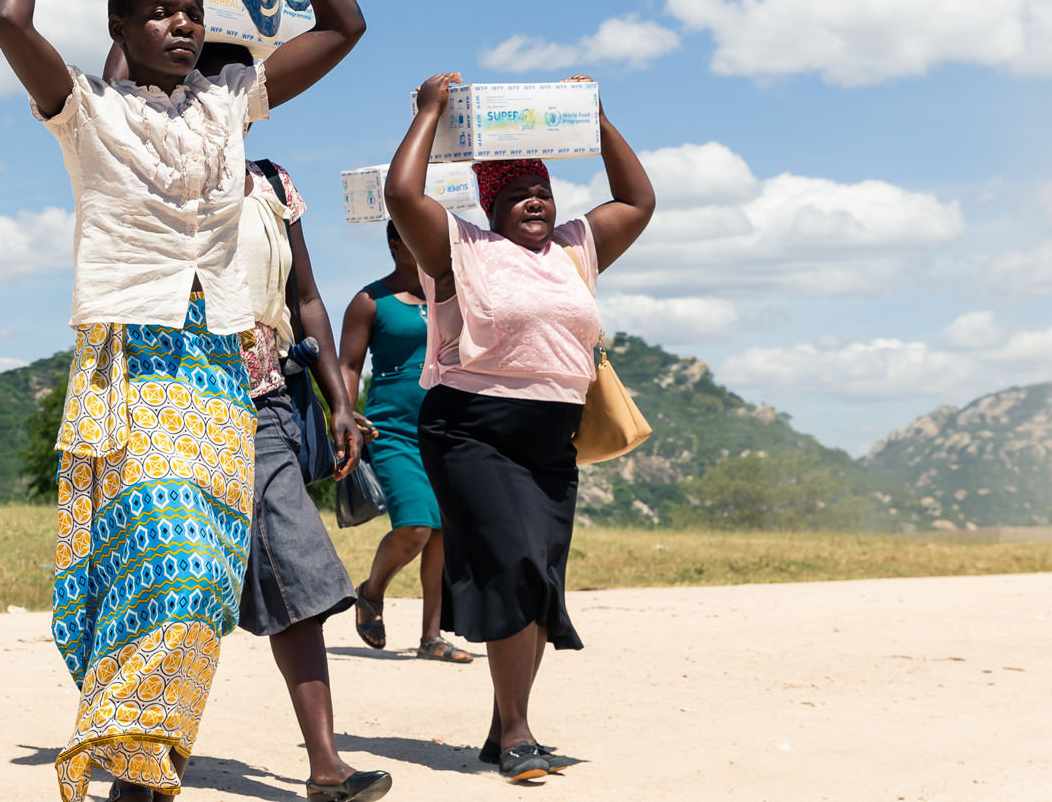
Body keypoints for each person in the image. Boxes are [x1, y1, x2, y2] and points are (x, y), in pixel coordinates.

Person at [0, 0, 366, 802]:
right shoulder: (85, 111)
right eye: (160, 10)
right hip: (132, 360)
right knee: (163, 562)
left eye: (193, 10)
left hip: (215, 367)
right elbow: (7, 21)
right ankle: (126, 754)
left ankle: (141, 767)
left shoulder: (230, 106)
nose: (183, 22)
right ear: (117, 29)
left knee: (199, 583)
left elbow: (343, 25)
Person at [120, 40, 388, 801]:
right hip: (169, 400)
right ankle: (142, 760)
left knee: (294, 569)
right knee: (170, 582)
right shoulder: (145, 164)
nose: (215, 93)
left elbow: (307, 298)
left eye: (232, 81)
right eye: (201, 79)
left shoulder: (272, 182)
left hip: (263, 401)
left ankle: (326, 766)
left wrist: (340, 397)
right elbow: (115, 78)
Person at [384, 72, 654, 783]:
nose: (534, 202)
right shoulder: (460, 251)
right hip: (472, 431)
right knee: (515, 565)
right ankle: (518, 732)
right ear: (488, 206)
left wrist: (595, 119)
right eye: (514, 195)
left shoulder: (575, 249)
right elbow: (402, 196)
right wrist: (429, 112)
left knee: (538, 580)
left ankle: (505, 725)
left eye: (541, 192)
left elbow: (638, 200)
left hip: (549, 440)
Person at [335, 223, 471, 664]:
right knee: (415, 525)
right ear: (397, 243)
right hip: (391, 429)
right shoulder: (370, 301)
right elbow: (349, 364)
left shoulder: (456, 295)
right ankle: (371, 591)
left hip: (451, 427)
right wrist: (347, 413)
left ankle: (431, 637)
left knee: (442, 536)